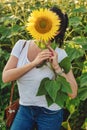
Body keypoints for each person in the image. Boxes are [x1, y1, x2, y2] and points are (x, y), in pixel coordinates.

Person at [2, 6, 78, 130]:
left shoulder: (59, 53)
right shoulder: (21, 45)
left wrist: (57, 68)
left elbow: (73, 93)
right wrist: (33, 63)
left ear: (57, 31)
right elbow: (5, 77)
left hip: (50, 113)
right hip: (25, 108)